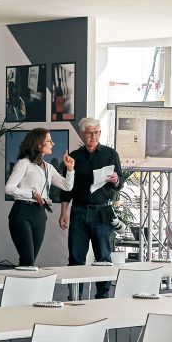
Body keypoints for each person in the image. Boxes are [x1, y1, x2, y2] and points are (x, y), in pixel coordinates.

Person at [59, 116, 127, 296]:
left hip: (102, 211)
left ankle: (102, 297)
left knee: (103, 257)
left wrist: (115, 180)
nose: (93, 137)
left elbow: (120, 183)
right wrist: (63, 213)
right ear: (83, 134)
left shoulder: (110, 154)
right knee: (76, 257)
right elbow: (66, 189)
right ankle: (75, 297)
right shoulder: (74, 157)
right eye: (90, 133)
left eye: (97, 133)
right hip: (79, 211)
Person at [4, 128, 70, 267]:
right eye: (49, 141)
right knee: (27, 259)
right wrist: (32, 194)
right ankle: (20, 281)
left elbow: (66, 186)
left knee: (30, 261)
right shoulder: (24, 163)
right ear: (39, 144)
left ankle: (23, 281)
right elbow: (9, 188)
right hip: (22, 213)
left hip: (39, 214)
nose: (53, 143)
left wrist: (70, 170)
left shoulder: (49, 168)